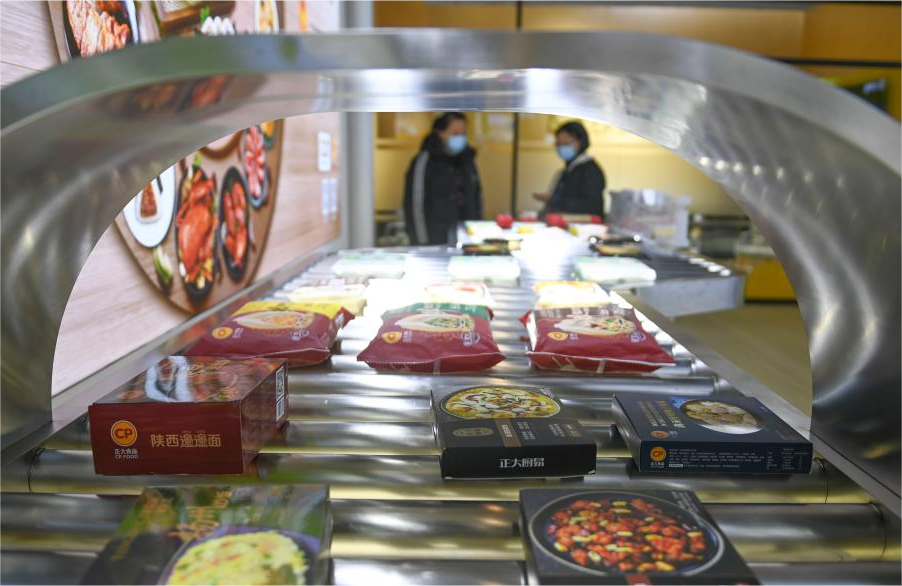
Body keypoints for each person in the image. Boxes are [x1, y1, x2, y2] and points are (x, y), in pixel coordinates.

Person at [404, 112, 483, 245]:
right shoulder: (424, 161)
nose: (460, 138)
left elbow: (477, 198)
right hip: (433, 240)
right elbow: (415, 204)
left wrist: (477, 232)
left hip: (466, 239)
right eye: (455, 133)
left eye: (463, 133)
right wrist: (421, 241)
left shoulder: (468, 161)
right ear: (440, 133)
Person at [534, 121, 606, 219]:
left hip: (583, 225)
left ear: (580, 142)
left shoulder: (590, 170)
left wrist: (555, 199)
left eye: (566, 143)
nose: (561, 147)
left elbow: (591, 206)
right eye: (558, 144)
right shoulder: (567, 170)